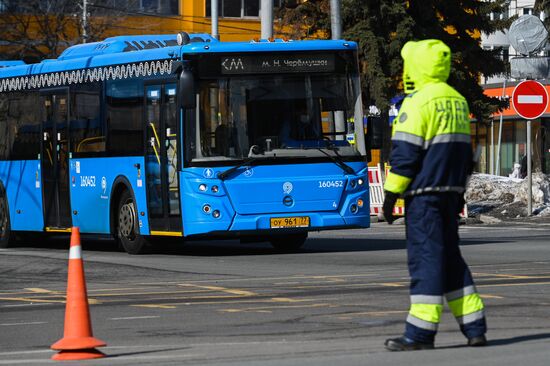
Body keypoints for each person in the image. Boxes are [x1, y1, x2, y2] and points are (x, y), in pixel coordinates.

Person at [382, 39, 487, 351]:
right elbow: (464, 155)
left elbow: (405, 156)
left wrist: (391, 196)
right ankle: (474, 327)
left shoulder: (416, 103)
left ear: (415, 67)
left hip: (425, 197)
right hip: (450, 195)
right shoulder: (457, 101)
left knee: (427, 260)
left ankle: (420, 334)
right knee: (451, 260)